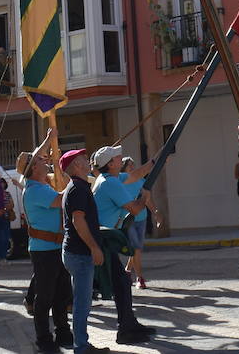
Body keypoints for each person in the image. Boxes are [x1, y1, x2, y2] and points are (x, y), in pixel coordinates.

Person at [89, 146, 155, 345]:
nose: (121, 158)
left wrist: (157, 159)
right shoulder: (110, 183)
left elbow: (136, 174)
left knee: (122, 283)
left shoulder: (110, 179)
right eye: (117, 157)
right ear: (110, 164)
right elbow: (134, 209)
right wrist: (145, 197)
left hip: (104, 238)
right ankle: (125, 329)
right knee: (119, 283)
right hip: (102, 240)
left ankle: (129, 324)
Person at [18, 146, 71, 354]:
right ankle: (44, 338)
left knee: (61, 293)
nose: (43, 161)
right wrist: (75, 182)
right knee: (46, 296)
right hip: (45, 250)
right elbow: (61, 200)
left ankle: (63, 332)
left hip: (54, 247)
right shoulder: (36, 190)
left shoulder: (41, 185)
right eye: (39, 161)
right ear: (34, 169)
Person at [59, 148, 108, 354]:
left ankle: (82, 344)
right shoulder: (78, 188)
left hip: (75, 252)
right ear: (77, 165)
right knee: (82, 303)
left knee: (82, 301)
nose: (89, 162)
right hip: (79, 254)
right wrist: (94, 248)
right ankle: (81, 347)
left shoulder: (76, 186)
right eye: (84, 159)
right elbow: (78, 221)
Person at [119, 156, 157, 290]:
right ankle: (140, 277)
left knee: (136, 249)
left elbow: (147, 199)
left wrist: (155, 212)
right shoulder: (120, 181)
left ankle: (127, 272)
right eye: (129, 165)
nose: (132, 167)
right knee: (136, 249)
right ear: (123, 167)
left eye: (133, 165)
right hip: (128, 219)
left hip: (142, 218)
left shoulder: (141, 181)